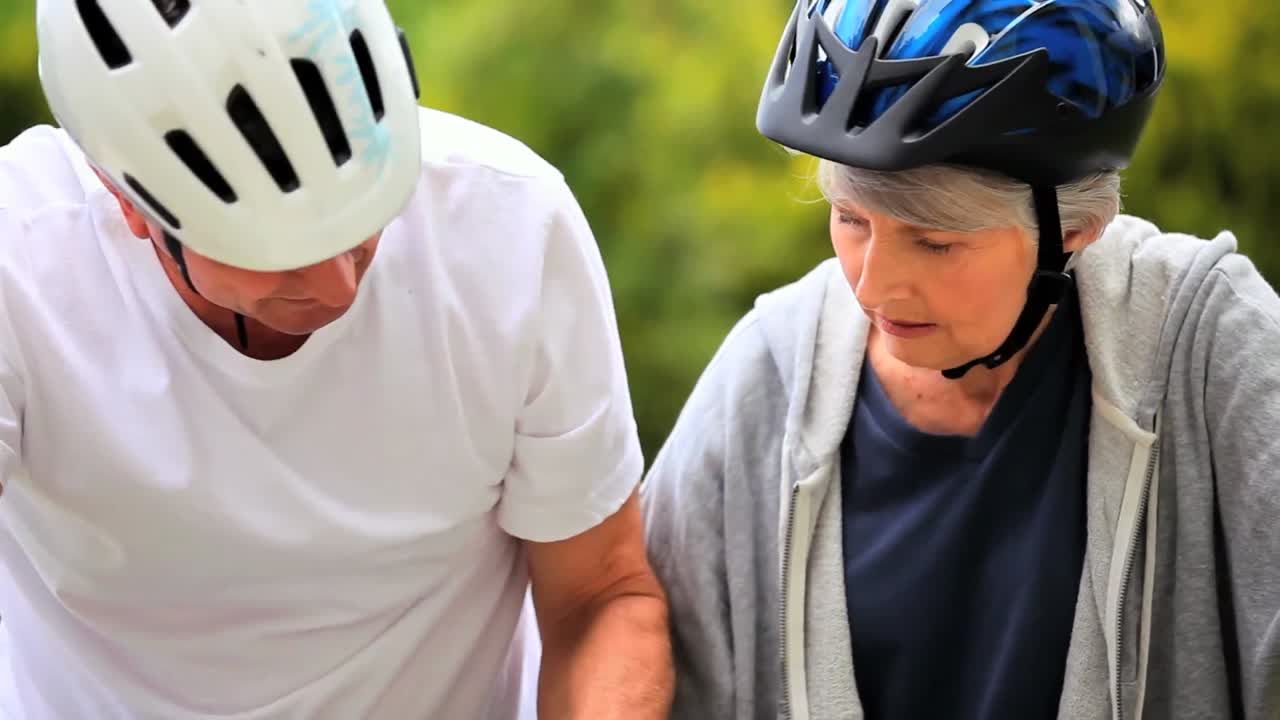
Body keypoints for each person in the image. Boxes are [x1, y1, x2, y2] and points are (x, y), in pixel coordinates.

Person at [0, 1, 673, 718]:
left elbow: (601, 598)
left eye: (359, 228)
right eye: (274, 253)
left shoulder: (508, 226)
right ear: (128, 198)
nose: (337, 287)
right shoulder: (23, 260)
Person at [642, 0, 1279, 718]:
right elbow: (631, 631)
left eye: (935, 241)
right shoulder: (771, 371)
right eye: (850, 219)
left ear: (1077, 229)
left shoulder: (1209, 342)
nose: (871, 284)